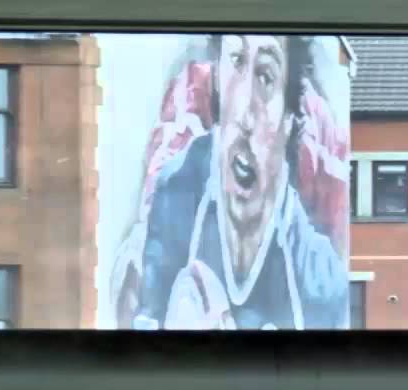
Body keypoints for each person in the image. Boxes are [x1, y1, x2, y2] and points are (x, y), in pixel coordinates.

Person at [132, 34, 347, 331]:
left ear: (288, 120)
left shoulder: (320, 282)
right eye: (236, 61)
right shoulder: (176, 194)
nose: (244, 115)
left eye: (265, 76)